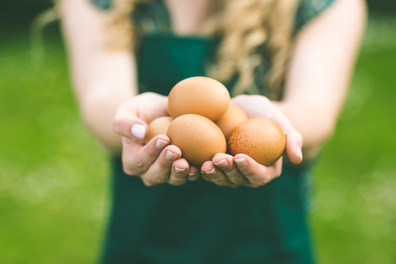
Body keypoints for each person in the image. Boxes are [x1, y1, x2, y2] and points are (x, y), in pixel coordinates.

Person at [59, 0, 366, 263]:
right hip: (146, 234)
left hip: (266, 236)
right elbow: (101, 99)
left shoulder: (318, 4)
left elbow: (316, 111)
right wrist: (134, 123)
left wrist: (269, 125)